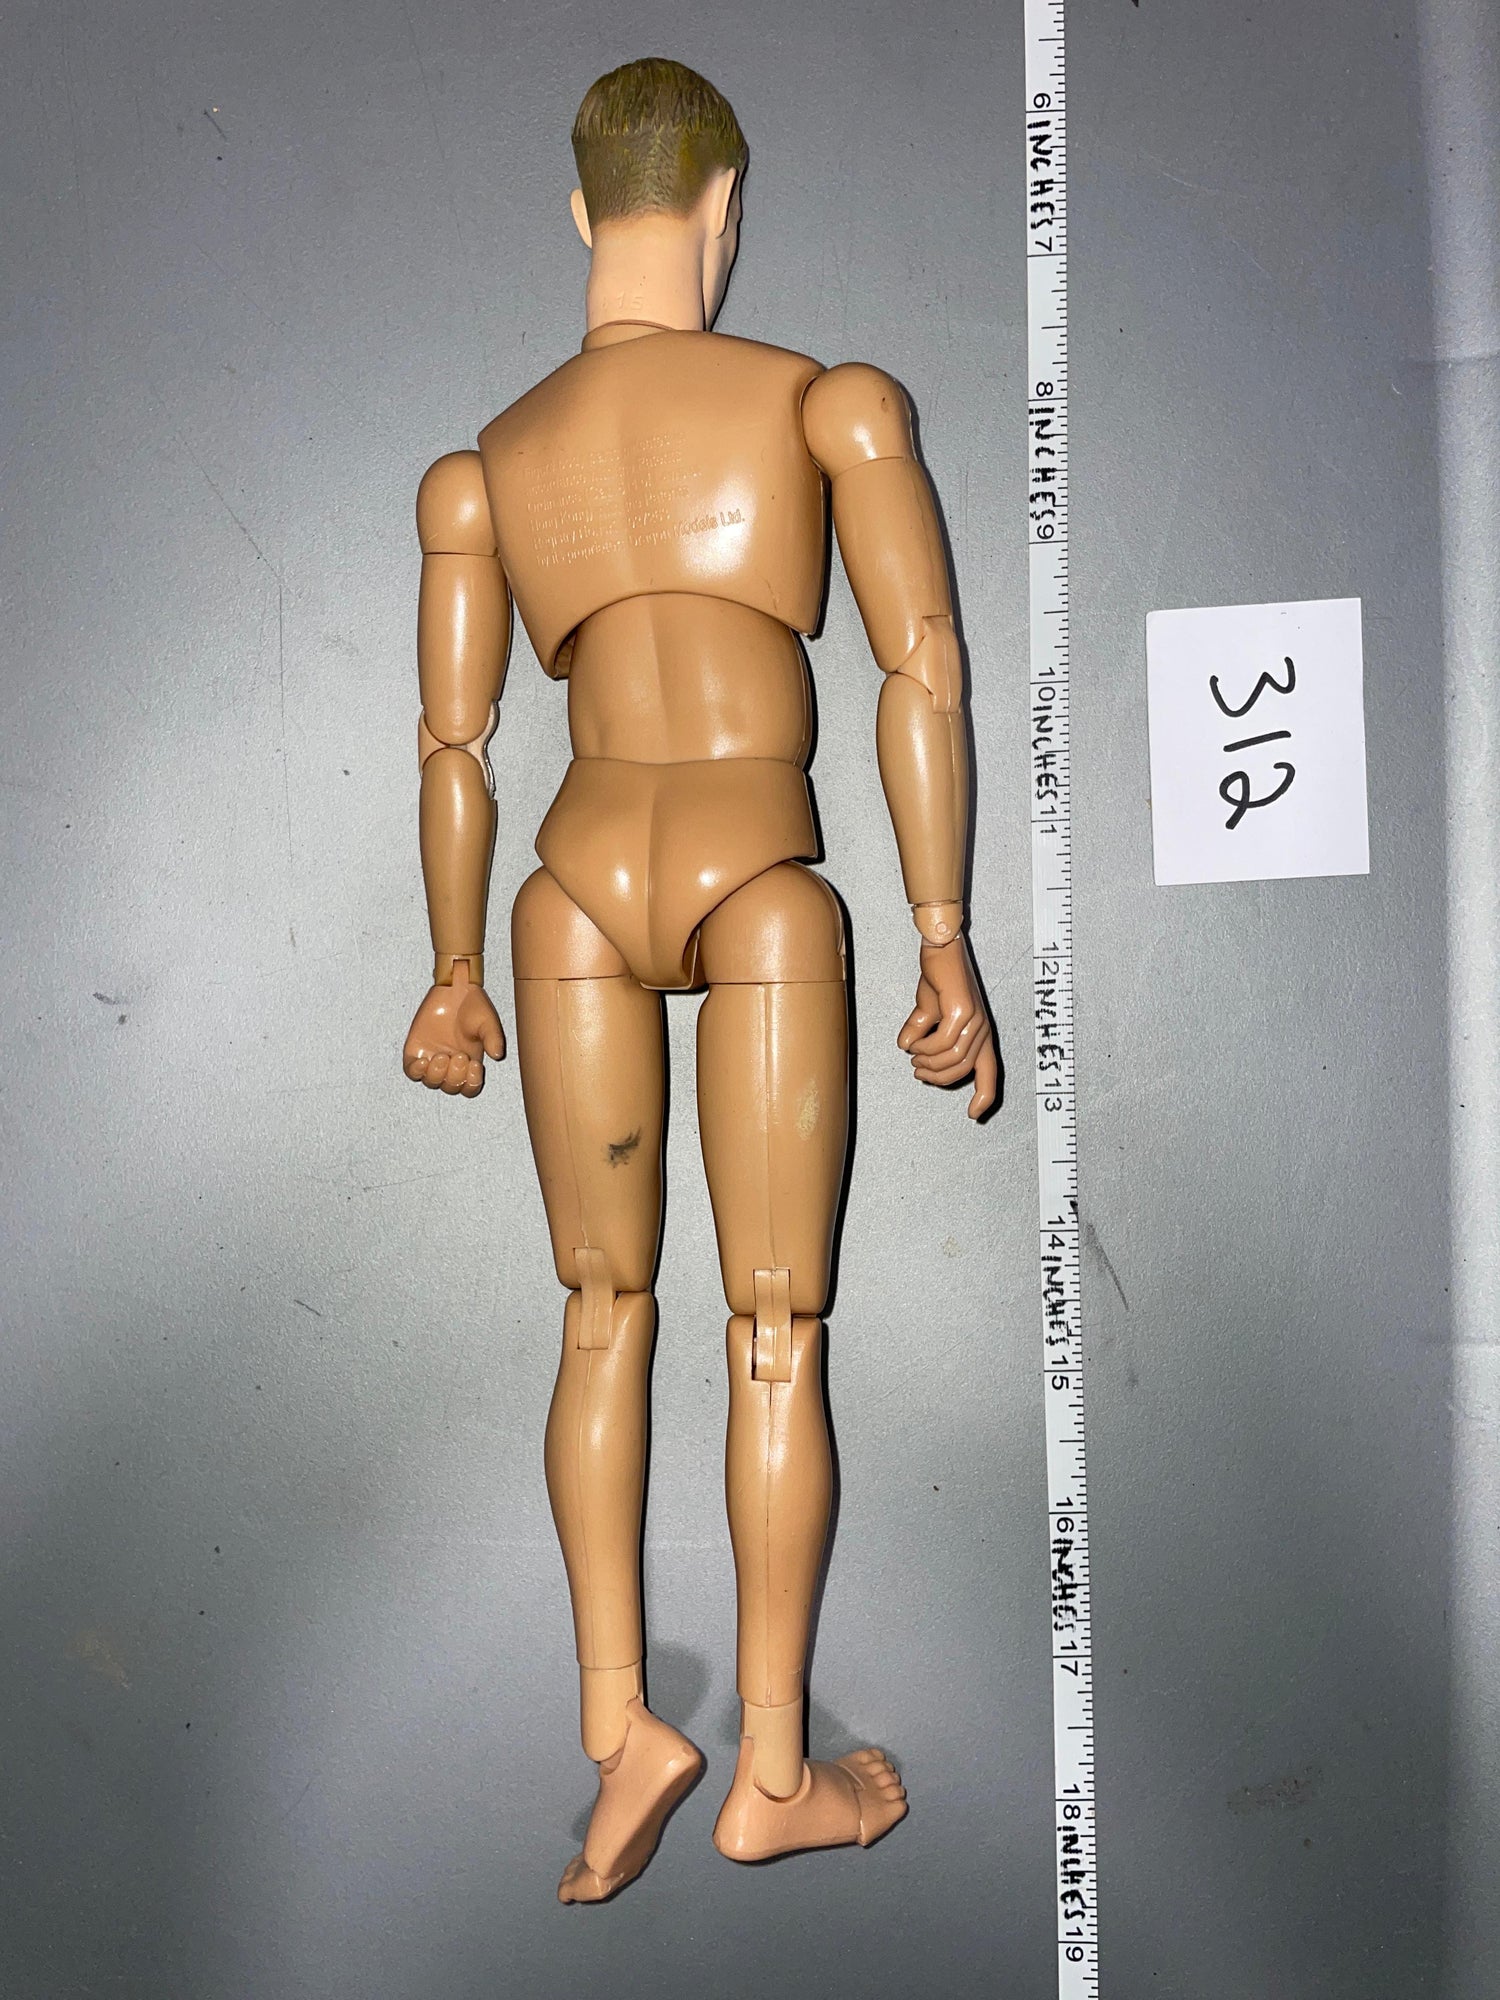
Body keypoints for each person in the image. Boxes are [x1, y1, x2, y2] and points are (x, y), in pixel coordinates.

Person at [402, 56, 998, 1903]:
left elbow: (452, 747)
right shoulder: (828, 405)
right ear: (725, 208)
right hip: (759, 880)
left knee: (600, 1313)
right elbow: (921, 670)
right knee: (773, 1332)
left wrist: (449, 969)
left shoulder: (485, 464)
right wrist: (944, 934)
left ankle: (618, 1735)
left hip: (568, 886)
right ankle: (770, 1770)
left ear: (581, 211)